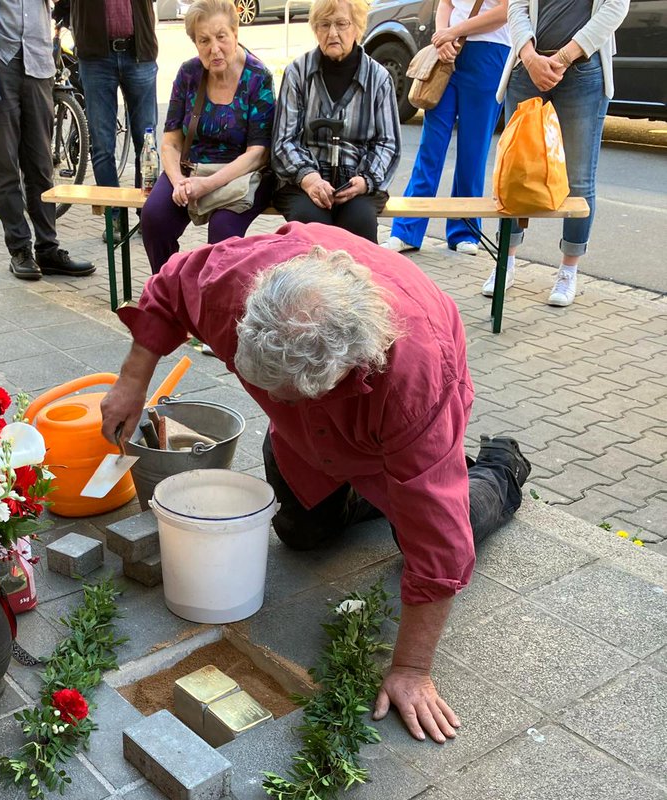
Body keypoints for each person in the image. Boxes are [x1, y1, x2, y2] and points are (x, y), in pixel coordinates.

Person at [100, 224, 531, 743]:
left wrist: (412, 669)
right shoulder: (231, 282)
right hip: (329, 427)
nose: (274, 399)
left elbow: (439, 546)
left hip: (406, 402)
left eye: (292, 397)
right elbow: (169, 289)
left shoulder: (413, 382)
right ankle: (385, 480)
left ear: (344, 373)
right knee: (302, 533)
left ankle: (498, 469)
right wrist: (131, 380)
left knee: (421, 531)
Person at [489, 0, 630, 306]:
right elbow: (516, 6)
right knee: (515, 170)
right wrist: (529, 56)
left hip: (583, 70)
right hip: (527, 68)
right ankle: (505, 263)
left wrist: (564, 57)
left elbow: (615, 8)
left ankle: (568, 269)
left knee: (578, 177)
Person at [141, 0, 275, 273]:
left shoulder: (258, 77)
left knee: (223, 233)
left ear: (236, 34)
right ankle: (169, 290)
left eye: (221, 37)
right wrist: (179, 182)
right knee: (154, 218)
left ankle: (216, 307)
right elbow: (171, 142)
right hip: (192, 169)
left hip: (241, 176)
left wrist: (207, 185)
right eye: (204, 40)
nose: (214, 48)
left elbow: (258, 153)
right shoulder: (189, 73)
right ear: (195, 43)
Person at [383, 0, 509, 256]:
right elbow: (446, 3)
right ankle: (406, 230)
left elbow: (506, 11)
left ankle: (465, 231)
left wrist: (454, 31)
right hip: (448, 52)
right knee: (431, 145)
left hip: (490, 50)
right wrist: (443, 38)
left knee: (473, 149)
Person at [0, 0, 95, 282]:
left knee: (41, 165)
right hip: (0, 60)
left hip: (40, 62)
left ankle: (48, 248)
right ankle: (19, 249)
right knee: (5, 165)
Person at [271, 0, 400, 244]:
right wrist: (310, 179)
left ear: (358, 27)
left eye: (341, 24)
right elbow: (283, 141)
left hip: (358, 182)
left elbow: (388, 143)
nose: (332, 33)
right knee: (310, 225)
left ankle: (358, 283)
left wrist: (365, 180)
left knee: (360, 222)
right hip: (303, 184)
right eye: (324, 24)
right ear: (315, 28)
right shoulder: (297, 73)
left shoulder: (379, 78)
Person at [66, 0, 158, 190]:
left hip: (139, 51)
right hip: (95, 58)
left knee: (147, 143)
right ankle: (114, 217)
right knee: (102, 145)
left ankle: (148, 214)